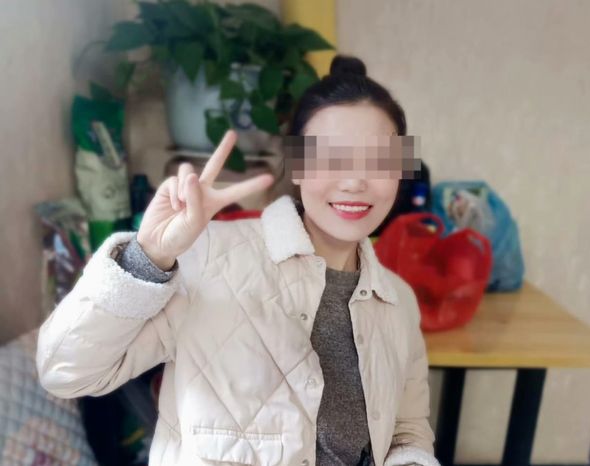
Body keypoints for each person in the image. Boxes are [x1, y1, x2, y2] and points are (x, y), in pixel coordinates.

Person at [36, 55, 439, 466]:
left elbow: (407, 430)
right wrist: (147, 257)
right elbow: (65, 372)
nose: (354, 182)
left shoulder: (399, 301)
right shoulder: (210, 257)